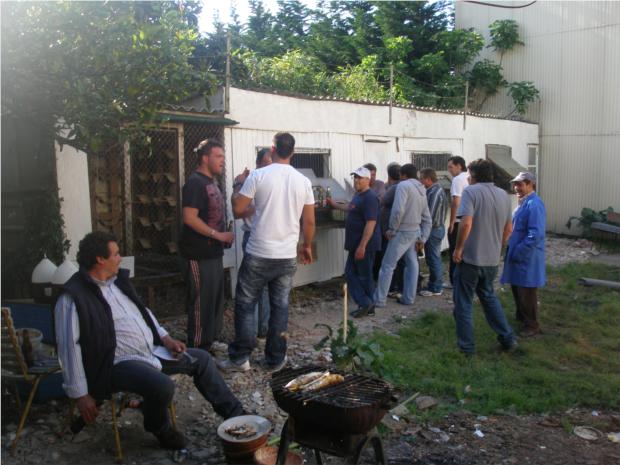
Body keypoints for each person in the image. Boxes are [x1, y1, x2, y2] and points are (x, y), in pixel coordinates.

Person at [55, 232, 244, 450]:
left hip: (150, 352)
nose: (120, 259)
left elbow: (143, 313)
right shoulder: (73, 297)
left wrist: (166, 338)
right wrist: (80, 395)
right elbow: (69, 349)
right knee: (162, 386)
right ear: (100, 259)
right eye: (116, 254)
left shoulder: (116, 283)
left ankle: (237, 415)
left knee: (201, 359)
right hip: (113, 365)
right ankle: (160, 428)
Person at [219, 132, 315, 372]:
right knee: (280, 307)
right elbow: (309, 221)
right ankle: (275, 359)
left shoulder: (258, 175)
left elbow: (238, 209)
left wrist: (239, 185)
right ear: (293, 152)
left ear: (272, 150)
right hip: (286, 256)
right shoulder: (303, 181)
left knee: (245, 303)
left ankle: (241, 358)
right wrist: (307, 246)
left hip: (259, 253)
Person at [452, 159, 517, 355]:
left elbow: (466, 224)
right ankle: (508, 339)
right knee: (488, 297)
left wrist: (458, 249)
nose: (467, 178)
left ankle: (466, 349)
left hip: (471, 258)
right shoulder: (503, 195)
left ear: (473, 175)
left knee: (463, 303)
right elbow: (509, 229)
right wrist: (498, 247)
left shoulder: (471, 192)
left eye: (469, 174)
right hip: (491, 259)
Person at [179, 139, 233, 351]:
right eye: (218, 156)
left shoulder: (212, 182)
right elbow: (189, 218)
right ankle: (197, 348)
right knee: (201, 302)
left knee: (214, 299)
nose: (222, 161)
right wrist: (218, 235)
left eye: (223, 157)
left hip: (213, 253)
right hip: (197, 254)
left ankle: (210, 340)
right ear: (204, 158)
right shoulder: (195, 183)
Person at [374, 163, 432, 308]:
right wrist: (423, 237)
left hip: (402, 231)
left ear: (403, 175)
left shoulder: (403, 186)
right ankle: (409, 298)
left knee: (387, 266)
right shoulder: (421, 188)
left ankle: (379, 300)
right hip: (415, 231)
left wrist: (392, 229)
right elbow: (427, 217)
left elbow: (398, 210)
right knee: (412, 265)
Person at [328, 167, 381, 318]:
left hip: (364, 245)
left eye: (359, 178)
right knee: (357, 274)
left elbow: (371, 223)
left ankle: (365, 303)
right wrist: (334, 204)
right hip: (355, 244)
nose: (356, 180)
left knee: (359, 275)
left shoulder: (370, 197)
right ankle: (369, 306)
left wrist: (362, 246)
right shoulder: (359, 195)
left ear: (368, 180)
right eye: (355, 177)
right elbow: (350, 207)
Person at [232, 148, 273, 338]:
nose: (270, 166)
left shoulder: (271, 179)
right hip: (253, 236)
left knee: (264, 286)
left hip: (270, 238)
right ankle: (253, 332)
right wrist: (238, 183)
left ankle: (262, 329)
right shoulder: (252, 180)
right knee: (253, 287)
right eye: (267, 163)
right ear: (258, 163)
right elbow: (238, 211)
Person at [500, 172, 546, 337]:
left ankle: (532, 325)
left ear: (530, 184)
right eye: (515, 184)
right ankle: (522, 317)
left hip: (527, 256)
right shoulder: (524, 202)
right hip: (519, 254)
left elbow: (536, 234)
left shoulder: (534, 204)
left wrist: (520, 250)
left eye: (520, 184)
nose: (516, 188)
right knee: (518, 287)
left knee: (527, 291)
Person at [418, 168, 449, 297]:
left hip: (433, 230)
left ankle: (436, 287)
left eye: (421, 178)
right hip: (436, 228)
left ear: (428, 179)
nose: (420, 181)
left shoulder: (435, 192)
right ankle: (435, 283)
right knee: (433, 258)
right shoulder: (433, 190)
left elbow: (429, 216)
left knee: (433, 258)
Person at [378, 163, 405, 295]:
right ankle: (400, 286)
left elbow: (381, 201)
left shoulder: (395, 188)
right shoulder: (405, 186)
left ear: (389, 176)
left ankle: (392, 287)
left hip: (391, 228)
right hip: (402, 228)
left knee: (390, 259)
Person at [447, 156, 469, 289]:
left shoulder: (457, 179)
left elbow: (456, 202)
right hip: (469, 220)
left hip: (459, 221)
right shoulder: (469, 177)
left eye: (451, 167)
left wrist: (451, 222)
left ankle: (454, 281)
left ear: (459, 166)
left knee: (455, 251)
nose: (449, 170)